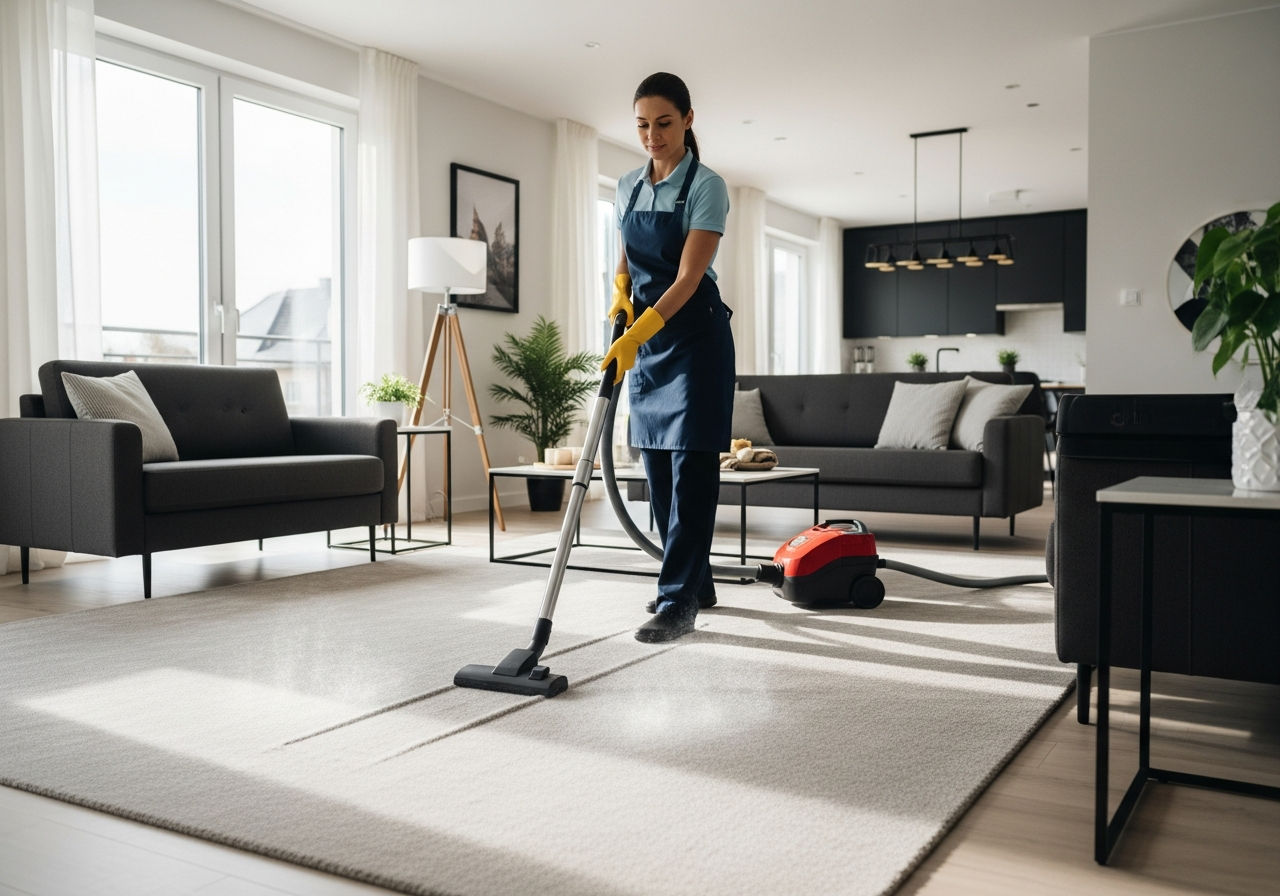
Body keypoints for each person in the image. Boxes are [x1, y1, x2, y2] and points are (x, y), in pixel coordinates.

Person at [601, 72, 735, 643]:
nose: (651, 136)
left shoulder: (707, 186)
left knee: (691, 470)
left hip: (697, 341)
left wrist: (639, 332)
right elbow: (628, 259)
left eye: (663, 123)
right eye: (641, 126)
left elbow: (686, 278)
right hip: (650, 342)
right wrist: (618, 299)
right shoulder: (627, 185)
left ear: (687, 120)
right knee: (656, 471)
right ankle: (695, 578)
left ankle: (678, 599)